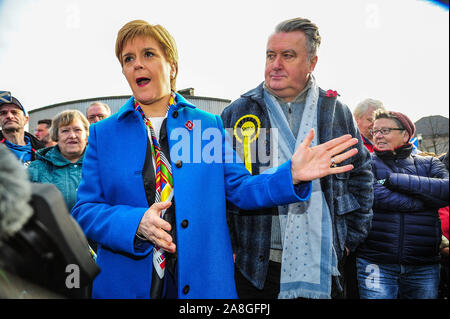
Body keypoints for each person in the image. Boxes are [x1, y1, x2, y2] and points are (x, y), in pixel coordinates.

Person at [71, 19, 360, 299]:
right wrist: (135, 223)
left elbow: (242, 190)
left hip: (200, 280)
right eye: (127, 59)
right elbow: (85, 211)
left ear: (171, 65)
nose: (137, 64)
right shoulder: (102, 134)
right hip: (125, 282)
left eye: (148, 54)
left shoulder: (206, 126)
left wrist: (290, 175)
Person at [220, 17, 373, 299]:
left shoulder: (336, 111)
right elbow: (222, 185)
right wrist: (230, 245)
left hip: (323, 264)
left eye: (287, 56)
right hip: (255, 266)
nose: (275, 64)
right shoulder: (238, 112)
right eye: (270, 55)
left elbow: (362, 176)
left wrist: (349, 240)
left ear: (312, 63)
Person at [356, 110, 449, 299]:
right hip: (376, 262)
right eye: (375, 131)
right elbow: (375, 196)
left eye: (385, 130)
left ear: (406, 134)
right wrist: (427, 200)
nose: (378, 136)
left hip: (424, 265)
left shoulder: (430, 163)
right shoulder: (365, 164)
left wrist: (395, 180)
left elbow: (446, 191)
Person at [28, 110, 89, 212]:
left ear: (86, 135)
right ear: (56, 135)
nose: (72, 136)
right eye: (65, 131)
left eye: (77, 130)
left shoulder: (101, 165)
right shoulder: (36, 169)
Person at [0, 93, 44, 165]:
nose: (9, 116)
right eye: (3, 113)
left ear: (26, 119)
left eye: (14, 112)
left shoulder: (43, 153)